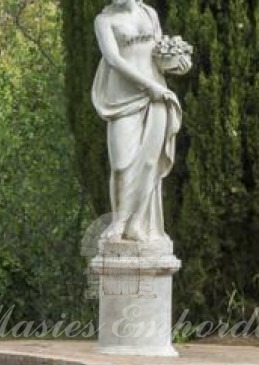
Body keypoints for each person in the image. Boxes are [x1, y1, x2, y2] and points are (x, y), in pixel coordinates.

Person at [92, 0, 189, 245]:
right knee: (121, 164)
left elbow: (157, 56)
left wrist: (176, 64)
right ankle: (118, 221)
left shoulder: (149, 14)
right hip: (124, 98)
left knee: (149, 162)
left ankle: (135, 223)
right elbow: (113, 60)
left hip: (156, 97)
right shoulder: (104, 21)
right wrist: (148, 85)